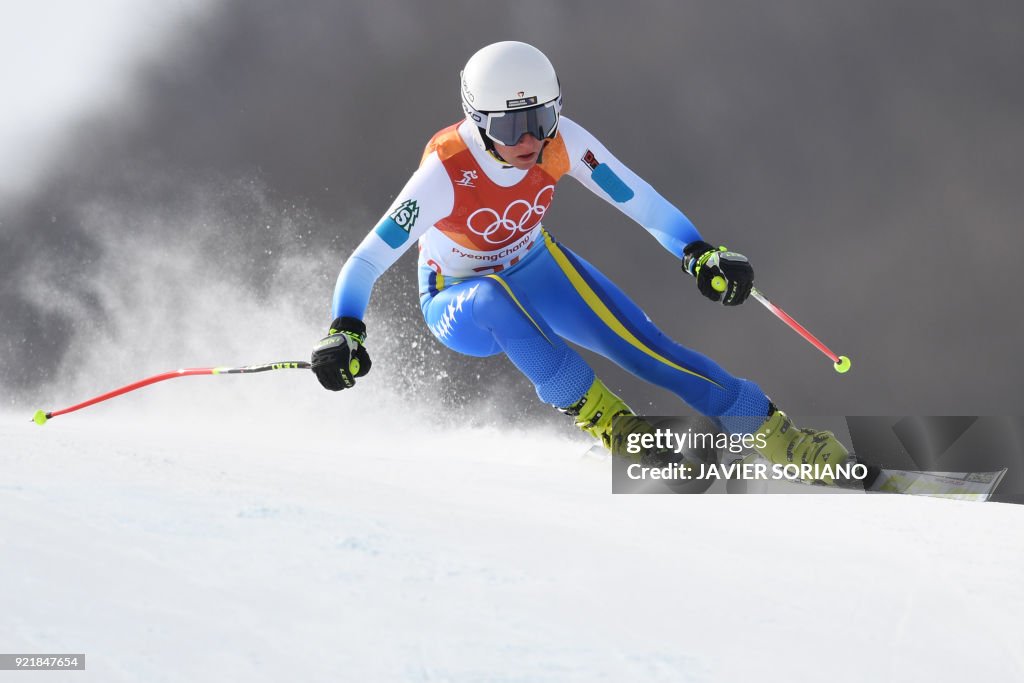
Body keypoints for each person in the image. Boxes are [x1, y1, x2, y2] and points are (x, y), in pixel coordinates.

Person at [311, 41, 848, 477]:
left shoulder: (562, 142)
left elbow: (640, 201)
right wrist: (346, 329)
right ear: (477, 122)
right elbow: (365, 260)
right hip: (459, 299)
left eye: (540, 117)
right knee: (496, 298)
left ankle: (779, 438)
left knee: (649, 350)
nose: (528, 140)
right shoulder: (447, 171)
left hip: (536, 266)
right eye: (507, 127)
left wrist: (698, 253)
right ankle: (615, 427)